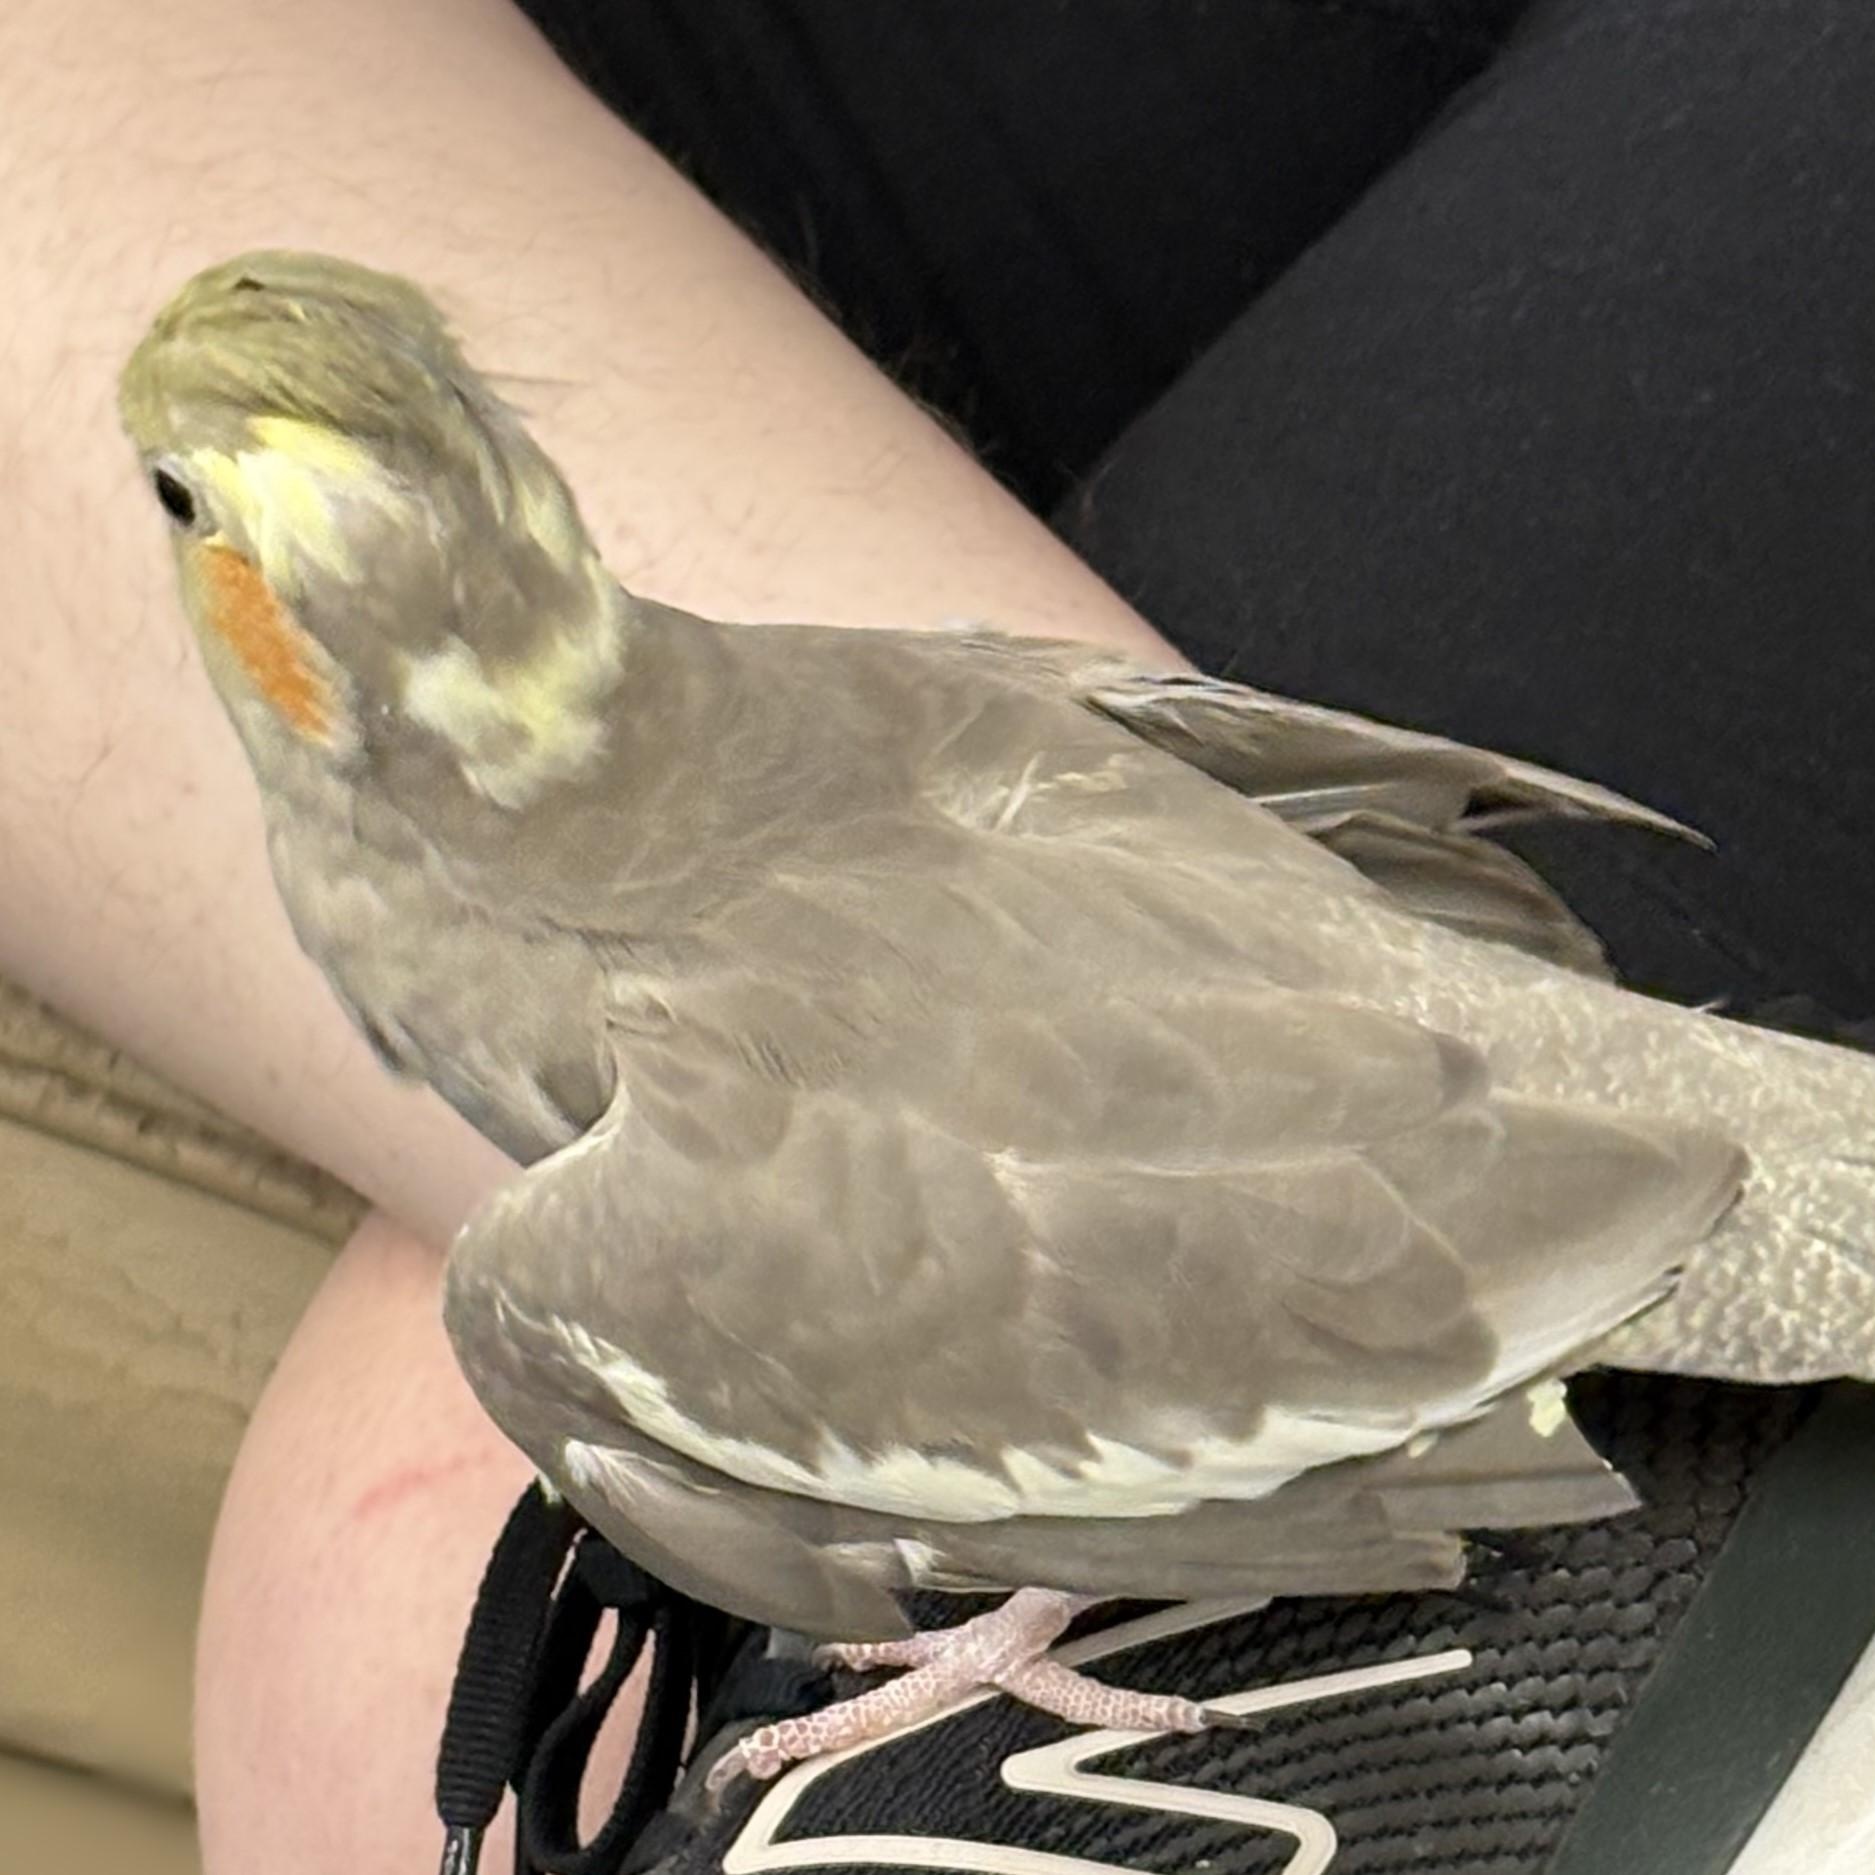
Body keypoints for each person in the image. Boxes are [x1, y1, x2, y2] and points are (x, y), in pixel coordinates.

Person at [3, 2, 1871, 1871]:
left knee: (446, 1522)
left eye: (180, 505)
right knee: (395, 1564)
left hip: (1496, 1201)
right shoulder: (769, 729)